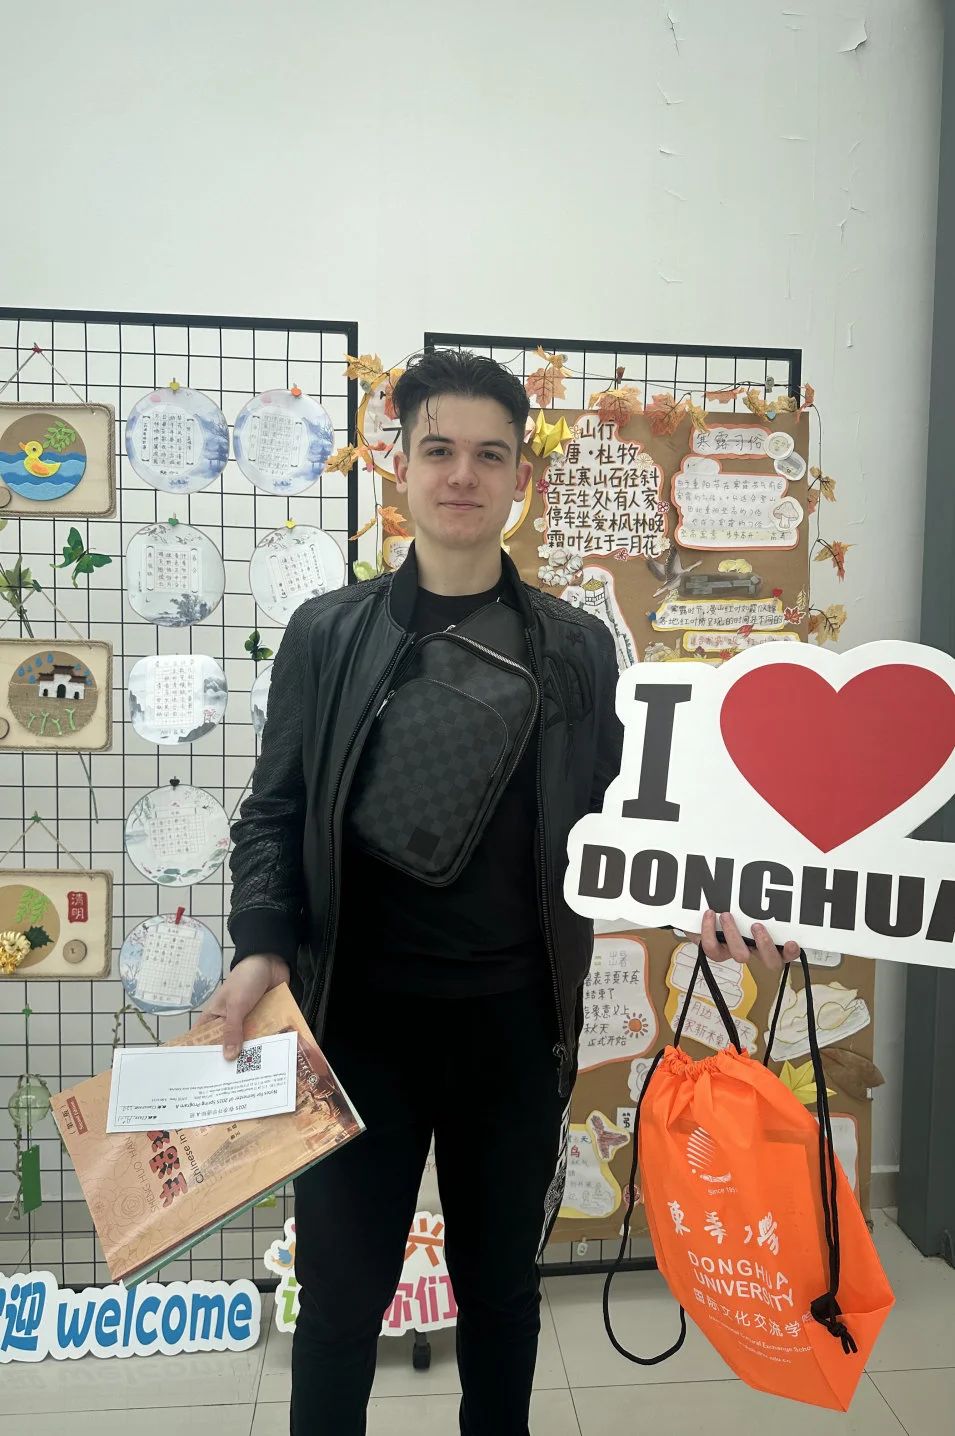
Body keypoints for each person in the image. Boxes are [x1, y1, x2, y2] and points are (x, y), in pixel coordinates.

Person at [200, 350, 796, 1434]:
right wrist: (259, 945)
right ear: (399, 463)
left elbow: (629, 823)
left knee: (503, 1299)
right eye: (439, 449)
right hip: (354, 1027)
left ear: (522, 475)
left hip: (514, 1031)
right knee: (336, 1308)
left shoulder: (574, 648)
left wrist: (709, 897)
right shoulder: (327, 634)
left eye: (489, 454)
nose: (462, 475)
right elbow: (272, 812)